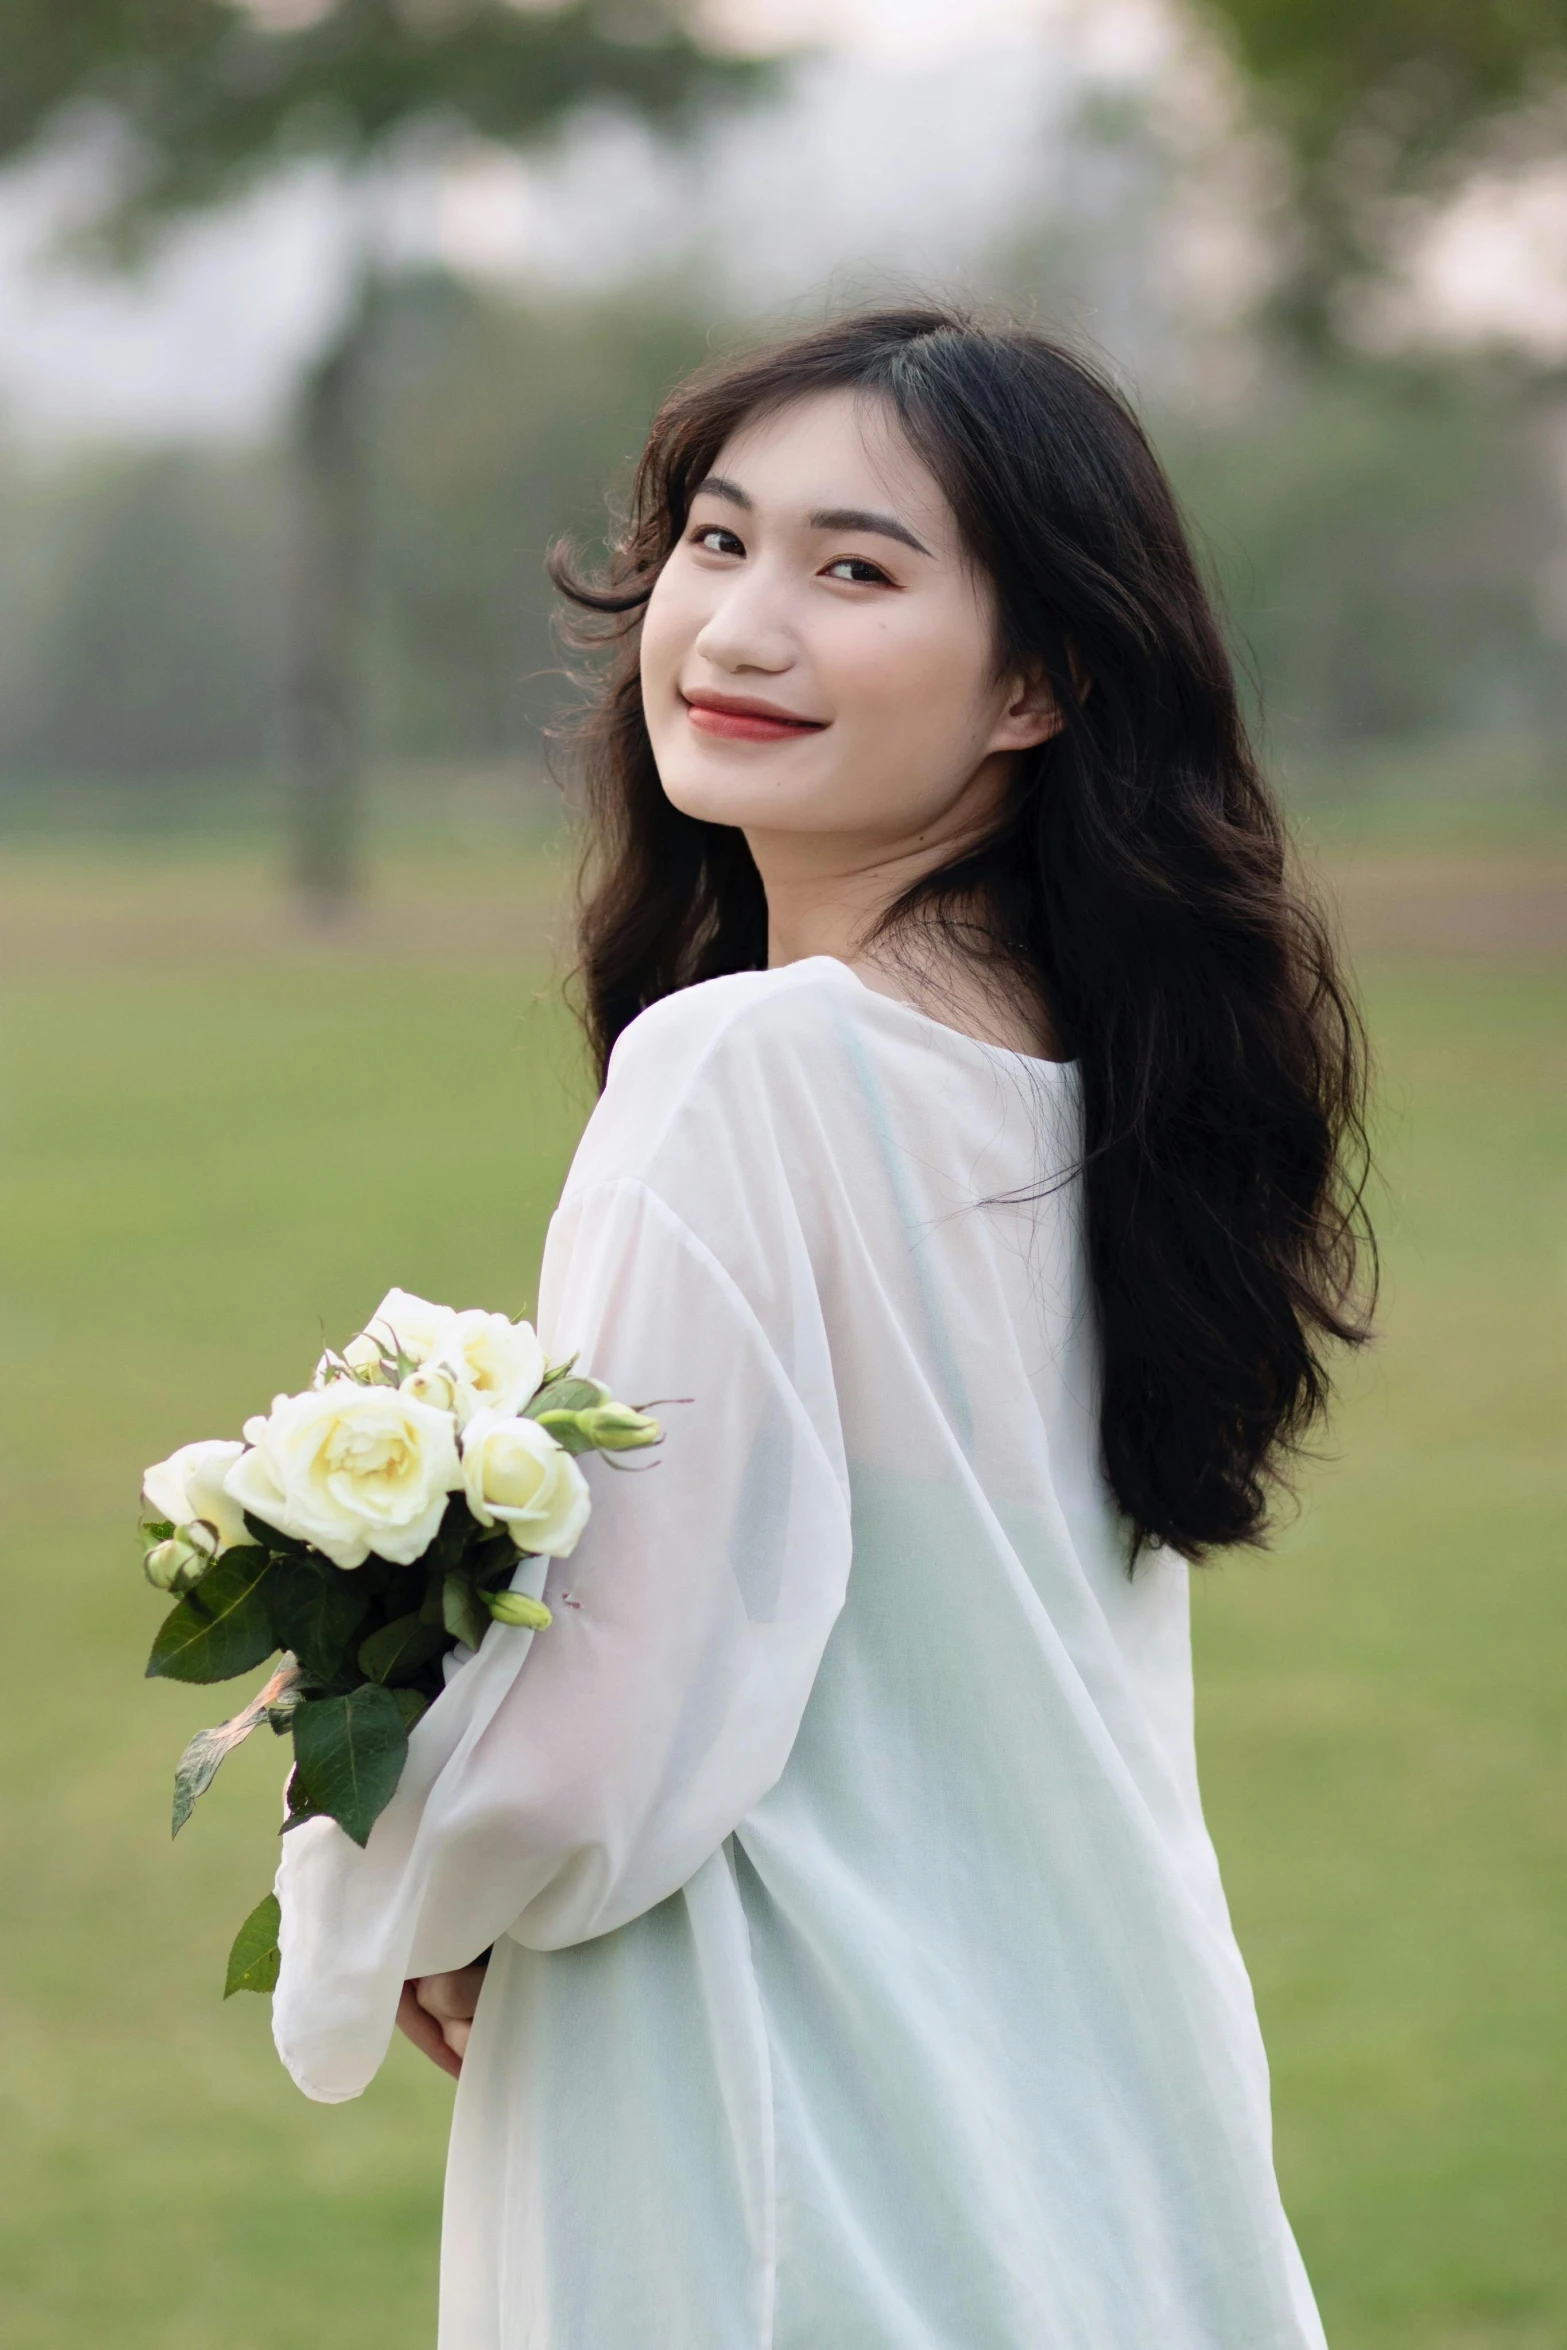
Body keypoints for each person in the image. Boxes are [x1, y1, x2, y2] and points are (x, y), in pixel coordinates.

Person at [271, 306, 1372, 2348]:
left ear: (1039, 678)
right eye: (715, 540)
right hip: (1101, 2131)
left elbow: (590, 1755)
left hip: (776, 2134)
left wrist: (376, 1865)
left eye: (854, 569)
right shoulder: (1101, 1091)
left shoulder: (749, 1071)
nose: (739, 628)